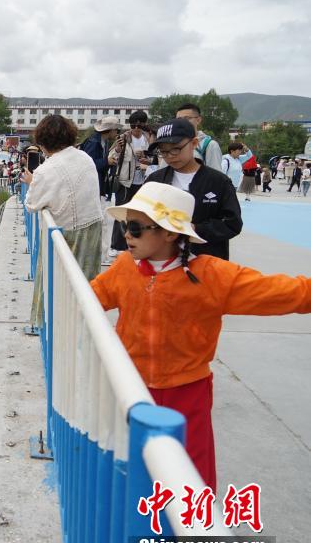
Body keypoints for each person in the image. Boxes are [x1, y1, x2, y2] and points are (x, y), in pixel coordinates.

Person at [91, 181, 311, 490]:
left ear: (170, 233)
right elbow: (89, 297)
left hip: (188, 392)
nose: (127, 235)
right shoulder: (125, 267)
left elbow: (281, 292)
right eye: (126, 226)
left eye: (137, 228)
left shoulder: (212, 276)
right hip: (131, 387)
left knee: (191, 475)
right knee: (131, 470)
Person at [23, 115, 104, 329]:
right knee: (86, 285)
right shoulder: (84, 157)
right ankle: (83, 328)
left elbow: (31, 204)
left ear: (42, 142)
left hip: (67, 232)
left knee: (59, 286)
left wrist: (32, 182)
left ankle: (51, 328)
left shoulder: (46, 169)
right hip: (93, 226)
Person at [144, 118, 242, 260]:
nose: (169, 157)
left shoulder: (219, 182)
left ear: (194, 143)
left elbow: (233, 224)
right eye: (163, 152)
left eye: (176, 149)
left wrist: (195, 229)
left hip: (206, 261)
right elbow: (140, 217)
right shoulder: (155, 180)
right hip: (163, 262)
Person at [106, 110, 154, 258]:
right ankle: (116, 245)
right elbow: (111, 156)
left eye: (140, 125)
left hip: (143, 182)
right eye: (133, 125)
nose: (136, 128)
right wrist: (118, 149)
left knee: (140, 215)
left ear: (145, 124)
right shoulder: (123, 138)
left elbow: (157, 158)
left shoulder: (150, 139)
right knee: (122, 214)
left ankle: (136, 244)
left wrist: (147, 159)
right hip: (125, 182)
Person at [80, 115, 122, 199]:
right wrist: (107, 162)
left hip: (98, 184)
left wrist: (116, 152)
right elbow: (87, 164)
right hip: (90, 186)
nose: (117, 133)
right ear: (111, 130)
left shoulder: (104, 141)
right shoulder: (93, 142)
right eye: (117, 130)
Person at [175, 103, 223, 173]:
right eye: (179, 120)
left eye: (187, 118)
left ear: (198, 120)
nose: (182, 123)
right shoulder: (171, 143)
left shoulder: (210, 145)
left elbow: (217, 175)